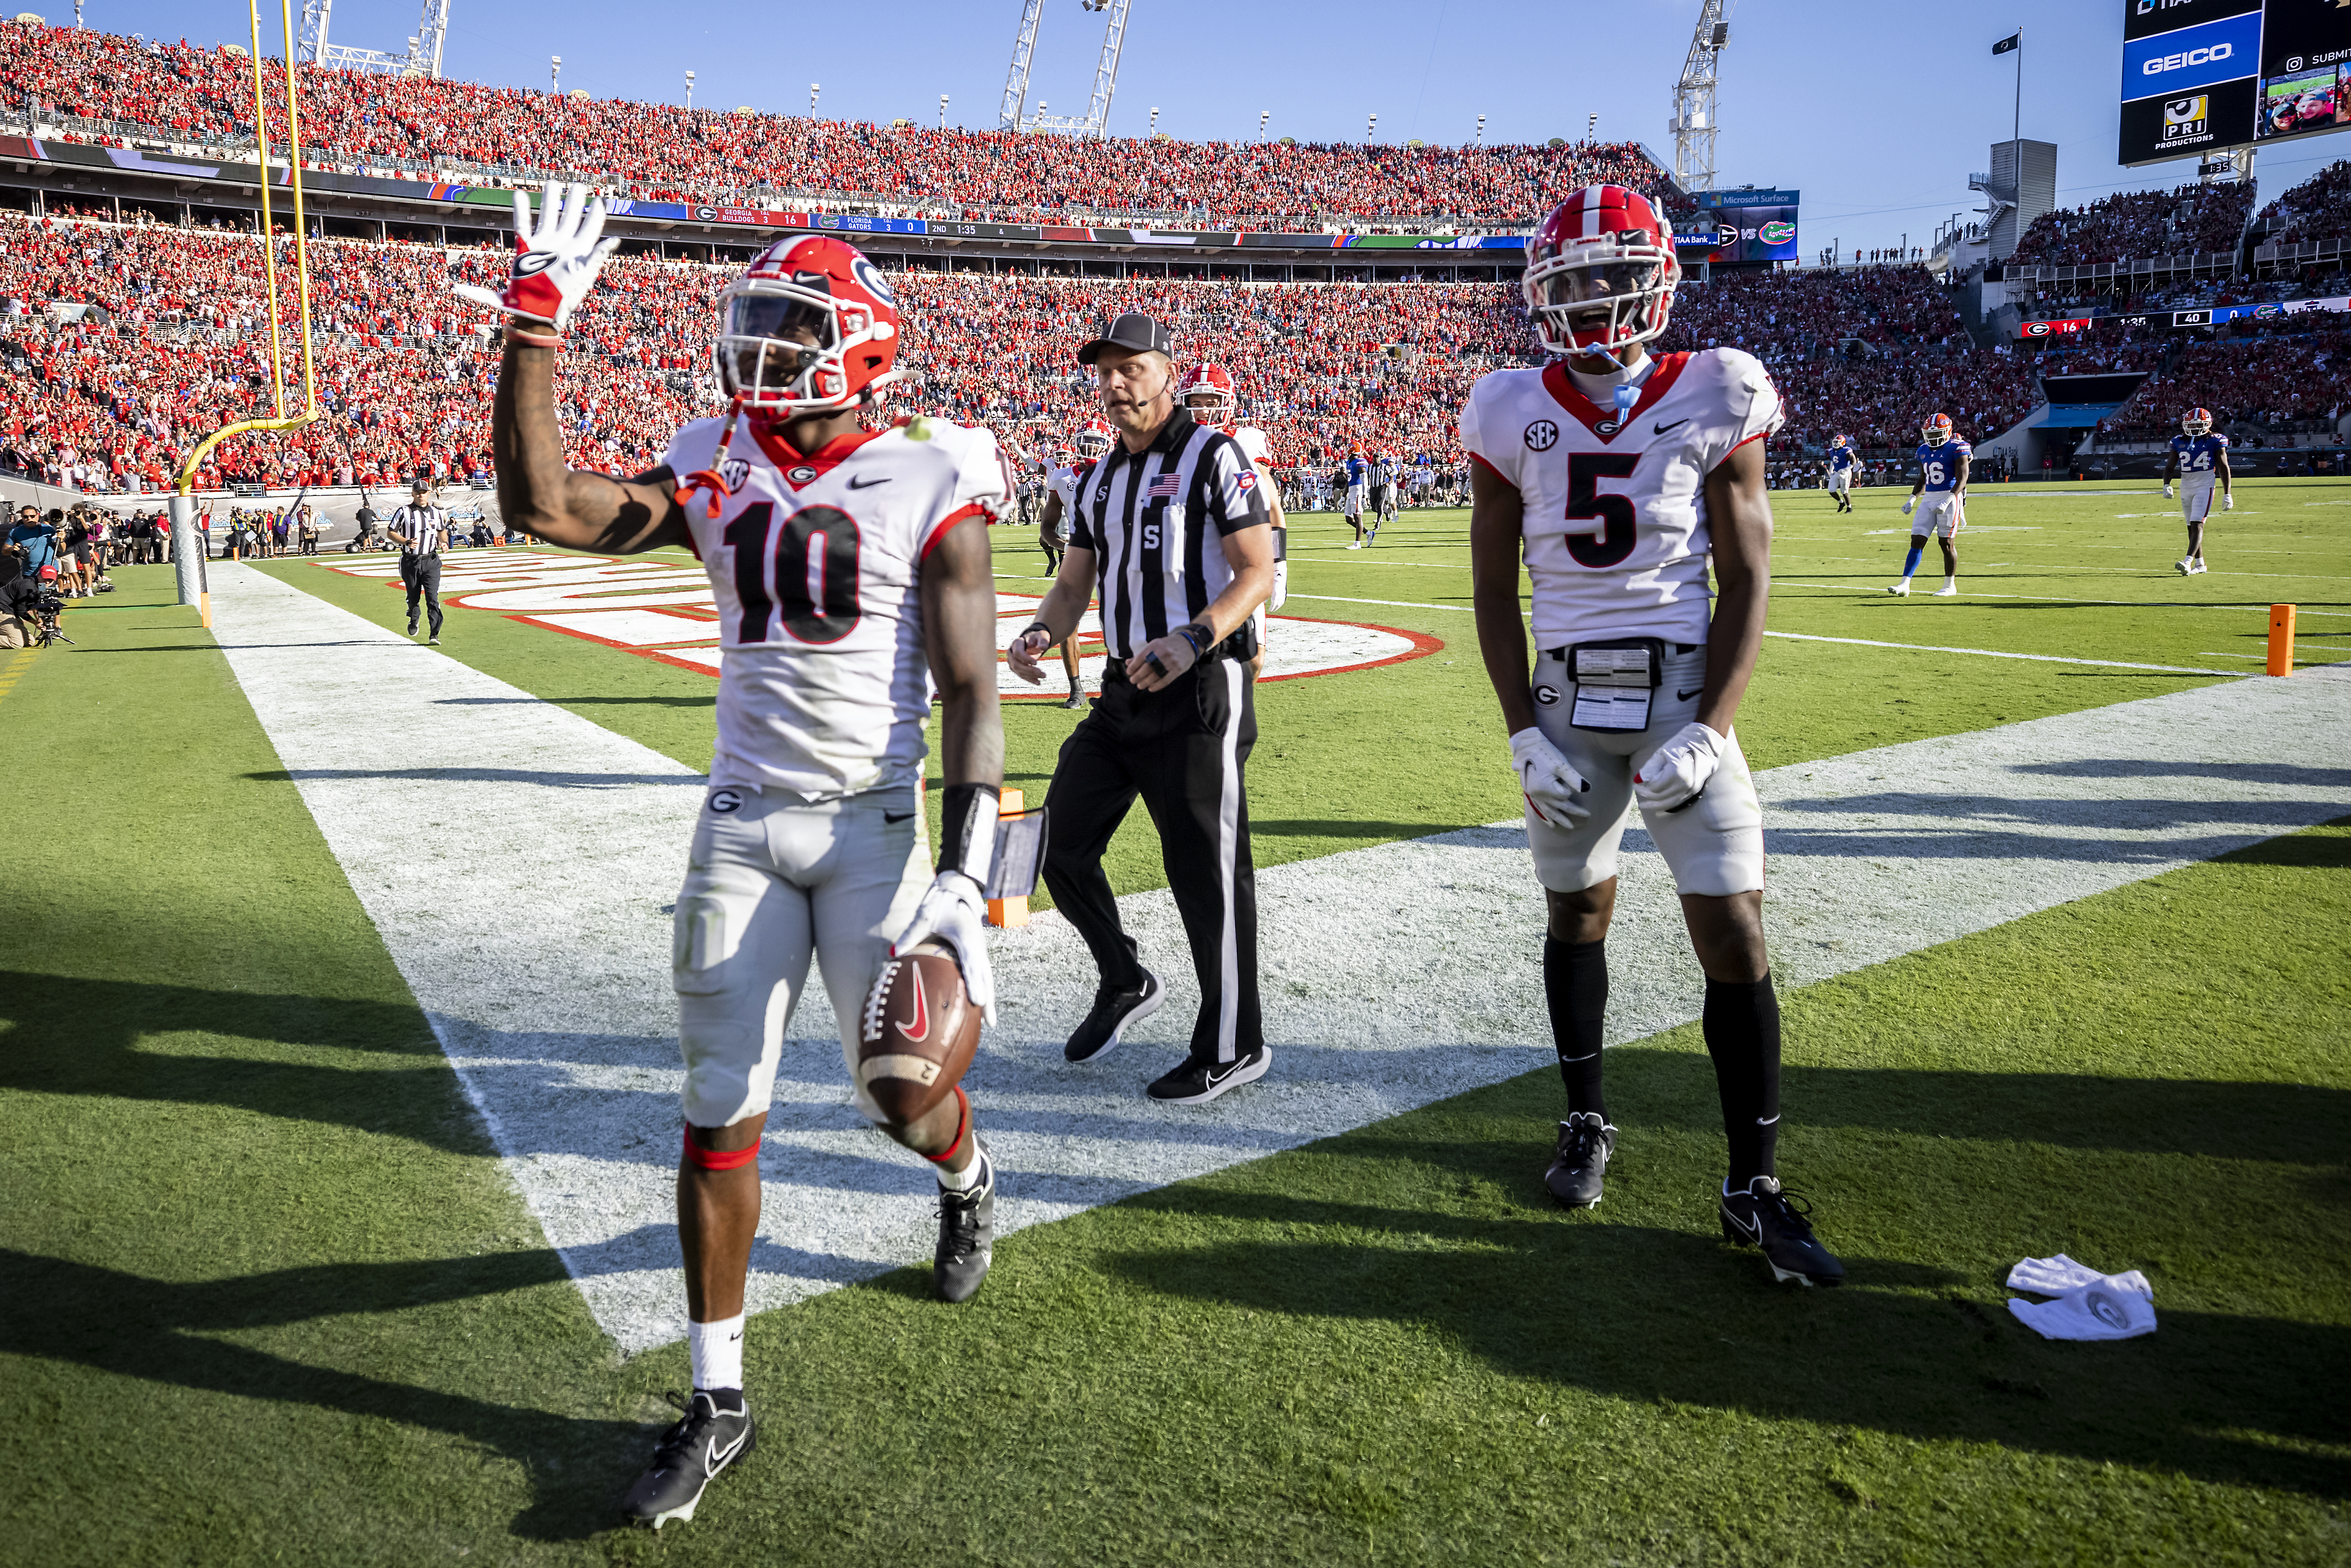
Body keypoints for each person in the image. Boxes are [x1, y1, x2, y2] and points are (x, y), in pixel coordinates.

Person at [468, 183, 1010, 1529]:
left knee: (901, 1087)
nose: (760, 348)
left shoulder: (935, 472)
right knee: (719, 1106)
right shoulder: (714, 451)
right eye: (754, 321)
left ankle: (966, 1173)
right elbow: (543, 504)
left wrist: (969, 864)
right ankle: (720, 1398)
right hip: (741, 825)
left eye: (791, 326)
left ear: (866, 343)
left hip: (875, 827)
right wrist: (533, 327)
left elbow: (974, 686)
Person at [1463, 184, 1842, 1288]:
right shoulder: (1502, 405)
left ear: (1655, 279)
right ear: (1542, 290)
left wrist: (1714, 727)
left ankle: (1750, 1186)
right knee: (1575, 910)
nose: (1590, 298)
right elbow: (1491, 592)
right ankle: (1584, 1118)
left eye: (1609, 275)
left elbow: (1746, 574)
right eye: (1571, 279)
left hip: (1678, 695)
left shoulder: (1720, 388)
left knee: (1732, 930)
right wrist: (1518, 731)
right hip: (1567, 706)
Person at [1007, 311, 1278, 1104]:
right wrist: (1036, 632)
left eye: (1132, 368)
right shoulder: (1097, 480)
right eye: (1106, 371)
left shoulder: (1213, 455)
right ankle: (1124, 977)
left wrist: (1194, 638)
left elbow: (1255, 570)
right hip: (1124, 692)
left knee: (1208, 876)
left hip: (1199, 689)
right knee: (1054, 845)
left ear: (1168, 371)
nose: (1116, 384)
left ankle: (1235, 1044)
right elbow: (1073, 585)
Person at [1177, 361, 1289, 674]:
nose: (1203, 411)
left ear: (1227, 402)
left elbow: (1271, 504)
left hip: (1243, 563)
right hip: (1188, 565)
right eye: (1195, 403)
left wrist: (1278, 566)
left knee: (1252, 660)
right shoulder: (1171, 446)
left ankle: (1228, 720)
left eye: (1211, 402)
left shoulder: (1247, 440)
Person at [1034, 426, 1112, 710]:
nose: (1090, 448)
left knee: (1122, 619)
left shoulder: (1119, 471)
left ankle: (1119, 684)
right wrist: (1065, 546)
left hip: (1113, 553)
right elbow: (1046, 527)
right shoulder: (1062, 477)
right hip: (1078, 553)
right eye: (1086, 442)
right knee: (1069, 622)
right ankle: (1076, 688)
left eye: (1096, 442)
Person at [1889, 413, 1968, 598]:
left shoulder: (1957, 448)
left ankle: (1950, 585)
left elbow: (1963, 478)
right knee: (1917, 540)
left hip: (1950, 497)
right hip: (1929, 498)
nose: (1932, 438)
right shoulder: (1924, 450)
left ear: (1948, 431)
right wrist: (1912, 498)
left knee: (1946, 543)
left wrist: (1948, 500)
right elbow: (1924, 479)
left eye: (1936, 433)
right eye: (1930, 434)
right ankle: (1905, 584)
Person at [2162, 406, 2230, 576]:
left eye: (2197, 424)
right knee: (2190, 528)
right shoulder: (2178, 441)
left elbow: (2223, 467)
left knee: (2198, 524)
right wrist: (2166, 484)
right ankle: (2201, 565)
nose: (2193, 428)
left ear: (2208, 424)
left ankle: (2187, 562)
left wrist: (2227, 493)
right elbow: (2170, 465)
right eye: (2190, 424)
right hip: (2186, 485)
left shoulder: (2215, 440)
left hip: (2205, 484)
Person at [387, 480, 451, 643]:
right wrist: (406, 541)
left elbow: (442, 531)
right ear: (413, 494)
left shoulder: (436, 513)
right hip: (411, 562)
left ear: (429, 493)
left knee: (432, 598)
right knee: (414, 598)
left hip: (431, 561)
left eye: (424, 492)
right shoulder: (404, 511)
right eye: (418, 492)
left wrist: (444, 542)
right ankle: (414, 618)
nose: (421, 495)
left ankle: (434, 634)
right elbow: (390, 533)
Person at [1342, 446, 1369, 547]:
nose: (1346, 452)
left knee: (1358, 517)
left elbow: (1365, 479)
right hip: (1352, 490)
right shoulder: (1349, 462)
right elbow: (1349, 481)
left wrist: (1364, 496)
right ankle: (1369, 533)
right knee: (1349, 518)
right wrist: (1344, 495)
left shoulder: (1360, 461)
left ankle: (1358, 543)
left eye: (1348, 449)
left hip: (1358, 490)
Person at [1825, 434, 1857, 513]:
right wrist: (1831, 470)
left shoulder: (1847, 450)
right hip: (1836, 472)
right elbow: (1834, 461)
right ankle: (1841, 503)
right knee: (1832, 490)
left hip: (1845, 473)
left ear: (1843, 443)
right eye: (1835, 442)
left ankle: (1849, 507)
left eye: (1838, 442)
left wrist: (1846, 469)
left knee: (1844, 492)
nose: (1835, 444)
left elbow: (1854, 462)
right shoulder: (1832, 451)